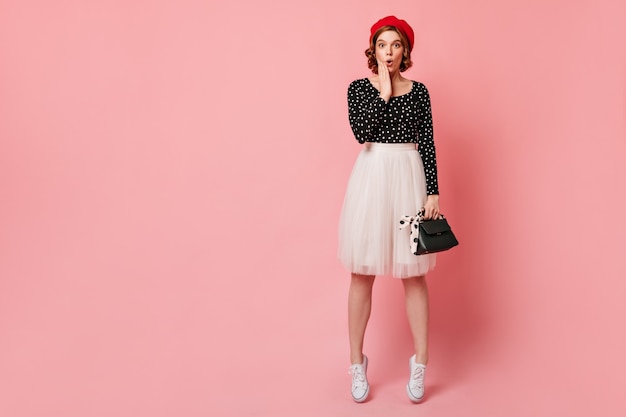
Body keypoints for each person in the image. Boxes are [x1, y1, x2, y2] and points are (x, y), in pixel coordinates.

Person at [338, 16, 441, 403]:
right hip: (371, 179)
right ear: (373, 50)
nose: (389, 52)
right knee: (361, 272)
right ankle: (355, 362)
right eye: (382, 45)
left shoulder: (419, 91)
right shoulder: (359, 90)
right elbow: (362, 132)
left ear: (406, 51)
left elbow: (427, 141)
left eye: (396, 45)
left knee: (414, 275)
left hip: (408, 177)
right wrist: (382, 90)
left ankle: (421, 363)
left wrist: (433, 192)